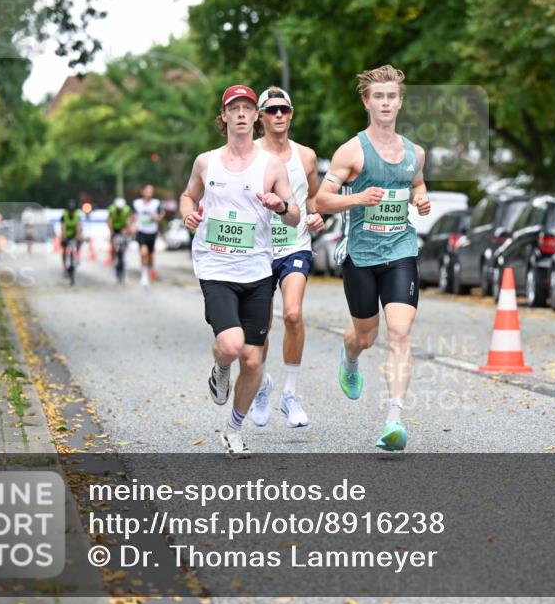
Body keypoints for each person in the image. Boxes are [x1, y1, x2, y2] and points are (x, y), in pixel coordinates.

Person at [315, 64, 431, 452]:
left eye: (391, 97)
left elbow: (416, 182)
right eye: (378, 96)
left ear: (400, 102)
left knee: (400, 333)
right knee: (365, 337)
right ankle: (349, 359)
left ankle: (394, 420)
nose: (385, 102)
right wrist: (358, 198)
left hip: (401, 250)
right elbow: (322, 200)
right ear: (367, 101)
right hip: (361, 255)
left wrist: (421, 197)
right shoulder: (351, 151)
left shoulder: (415, 152)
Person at [180, 84, 300, 458]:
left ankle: (233, 429)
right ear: (226, 116)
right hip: (216, 267)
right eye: (236, 108)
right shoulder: (207, 162)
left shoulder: (272, 165)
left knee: (253, 360)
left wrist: (280, 205)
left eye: (249, 107)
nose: (244, 114)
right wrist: (188, 212)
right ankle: (220, 368)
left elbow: (295, 217)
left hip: (257, 270)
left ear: (255, 116)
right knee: (231, 347)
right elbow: (189, 195)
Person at [248, 87, 324, 429]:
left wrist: (318, 216)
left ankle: (290, 395)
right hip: (258, 251)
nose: (278, 115)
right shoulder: (248, 155)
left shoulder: (306, 156)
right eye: (271, 110)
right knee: (259, 329)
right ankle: (262, 385)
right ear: (260, 117)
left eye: (284, 110)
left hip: (295, 244)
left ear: (291, 114)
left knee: (293, 314)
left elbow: (316, 199)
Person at [133, 184, 165, 287]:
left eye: (151, 191)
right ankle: (144, 276)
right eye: (147, 190)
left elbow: (162, 215)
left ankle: (150, 269)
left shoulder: (156, 203)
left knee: (150, 255)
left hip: (152, 232)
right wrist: (131, 225)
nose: (149, 193)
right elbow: (131, 215)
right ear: (142, 192)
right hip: (141, 231)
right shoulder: (136, 203)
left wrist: (157, 218)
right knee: (143, 252)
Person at [59, 200, 82, 272]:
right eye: (70, 210)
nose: (71, 212)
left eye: (72, 210)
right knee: (64, 248)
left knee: (79, 241)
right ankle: (64, 264)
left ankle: (77, 255)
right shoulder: (64, 215)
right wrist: (64, 236)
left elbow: (78, 226)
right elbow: (63, 227)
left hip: (74, 234)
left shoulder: (77, 215)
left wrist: (78, 235)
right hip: (66, 234)